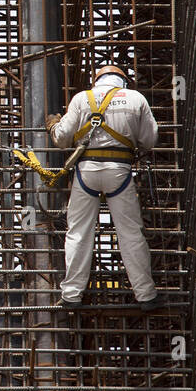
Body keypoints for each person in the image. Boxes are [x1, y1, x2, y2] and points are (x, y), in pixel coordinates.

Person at [46, 64, 160, 311]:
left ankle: (71, 295)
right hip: (120, 170)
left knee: (78, 233)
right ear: (122, 81)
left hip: (86, 172)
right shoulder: (136, 98)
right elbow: (149, 139)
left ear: (97, 81)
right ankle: (146, 295)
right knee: (130, 233)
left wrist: (53, 125)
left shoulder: (81, 98)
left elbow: (62, 139)